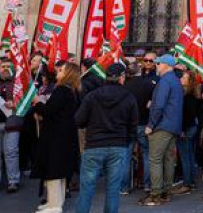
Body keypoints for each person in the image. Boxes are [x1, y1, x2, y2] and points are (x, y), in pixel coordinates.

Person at [74, 63, 138, 213]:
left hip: (94, 145)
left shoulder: (93, 96)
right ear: (122, 77)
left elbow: (79, 120)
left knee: (87, 189)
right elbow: (133, 124)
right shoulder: (128, 97)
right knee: (113, 189)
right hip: (117, 146)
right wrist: (127, 141)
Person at [32, 62, 82, 213]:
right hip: (64, 136)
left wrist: (36, 103)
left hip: (56, 137)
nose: (57, 73)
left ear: (67, 74)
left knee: (53, 171)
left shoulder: (61, 90)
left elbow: (49, 110)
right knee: (59, 172)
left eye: (61, 70)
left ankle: (54, 206)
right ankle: (54, 202)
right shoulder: (71, 91)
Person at [139, 54, 183, 207]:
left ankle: (155, 194)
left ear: (166, 65)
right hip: (173, 126)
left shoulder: (165, 80)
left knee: (155, 159)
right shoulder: (176, 81)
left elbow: (160, 105)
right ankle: (166, 192)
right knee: (169, 160)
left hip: (162, 126)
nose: (156, 66)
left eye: (158, 64)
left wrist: (151, 124)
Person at [121, 60, 157, 193]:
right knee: (147, 154)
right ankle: (147, 184)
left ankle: (124, 187)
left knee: (126, 155)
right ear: (139, 70)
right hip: (143, 123)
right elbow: (153, 103)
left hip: (128, 124)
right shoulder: (148, 84)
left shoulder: (124, 86)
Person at [173, 69, 200, 195]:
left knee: (185, 157)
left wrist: (182, 129)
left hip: (187, 128)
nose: (181, 79)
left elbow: (187, 115)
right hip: (191, 127)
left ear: (189, 82)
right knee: (189, 155)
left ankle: (187, 184)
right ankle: (191, 182)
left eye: (184, 78)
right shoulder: (191, 94)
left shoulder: (188, 96)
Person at [0, 56, 21, 192]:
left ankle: (13, 181)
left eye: (8, 66)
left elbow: (24, 99)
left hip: (12, 122)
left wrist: (14, 103)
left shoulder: (17, 82)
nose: (5, 69)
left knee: (11, 152)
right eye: (3, 66)